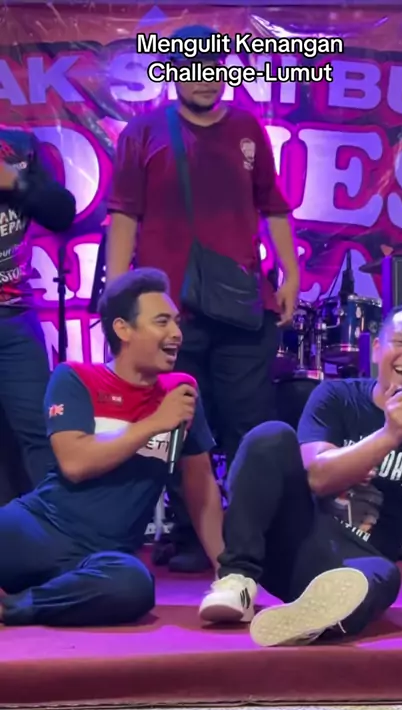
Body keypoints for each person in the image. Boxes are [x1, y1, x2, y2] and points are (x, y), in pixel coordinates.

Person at [106, 23, 299, 572]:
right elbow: (124, 216)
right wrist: (119, 296)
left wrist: (290, 273)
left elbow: (274, 207)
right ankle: (194, 536)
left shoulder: (247, 128)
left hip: (243, 306)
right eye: (194, 69)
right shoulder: (143, 132)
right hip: (169, 313)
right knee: (181, 426)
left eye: (215, 68)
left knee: (250, 425)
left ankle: (255, 539)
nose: (206, 79)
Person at [199, 301, 402, 646]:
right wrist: (389, 435)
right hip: (297, 539)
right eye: (400, 341)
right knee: (270, 435)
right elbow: (318, 476)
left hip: (357, 565)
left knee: (386, 576)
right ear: (377, 349)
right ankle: (237, 580)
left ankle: (311, 616)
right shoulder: (336, 397)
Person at [0, 268, 224, 627]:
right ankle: (51, 595)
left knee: (134, 586)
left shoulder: (181, 393)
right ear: (123, 329)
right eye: (162, 322)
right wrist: (155, 423)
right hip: (41, 526)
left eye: (177, 322)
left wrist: (227, 570)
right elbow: (75, 462)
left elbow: (200, 485)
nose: (176, 334)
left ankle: (17, 607)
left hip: (105, 555)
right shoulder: (75, 378)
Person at [0, 128, 76, 493]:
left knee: (41, 436)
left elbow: (61, 212)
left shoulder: (19, 146)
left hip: (14, 318)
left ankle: (49, 525)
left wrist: (15, 182)